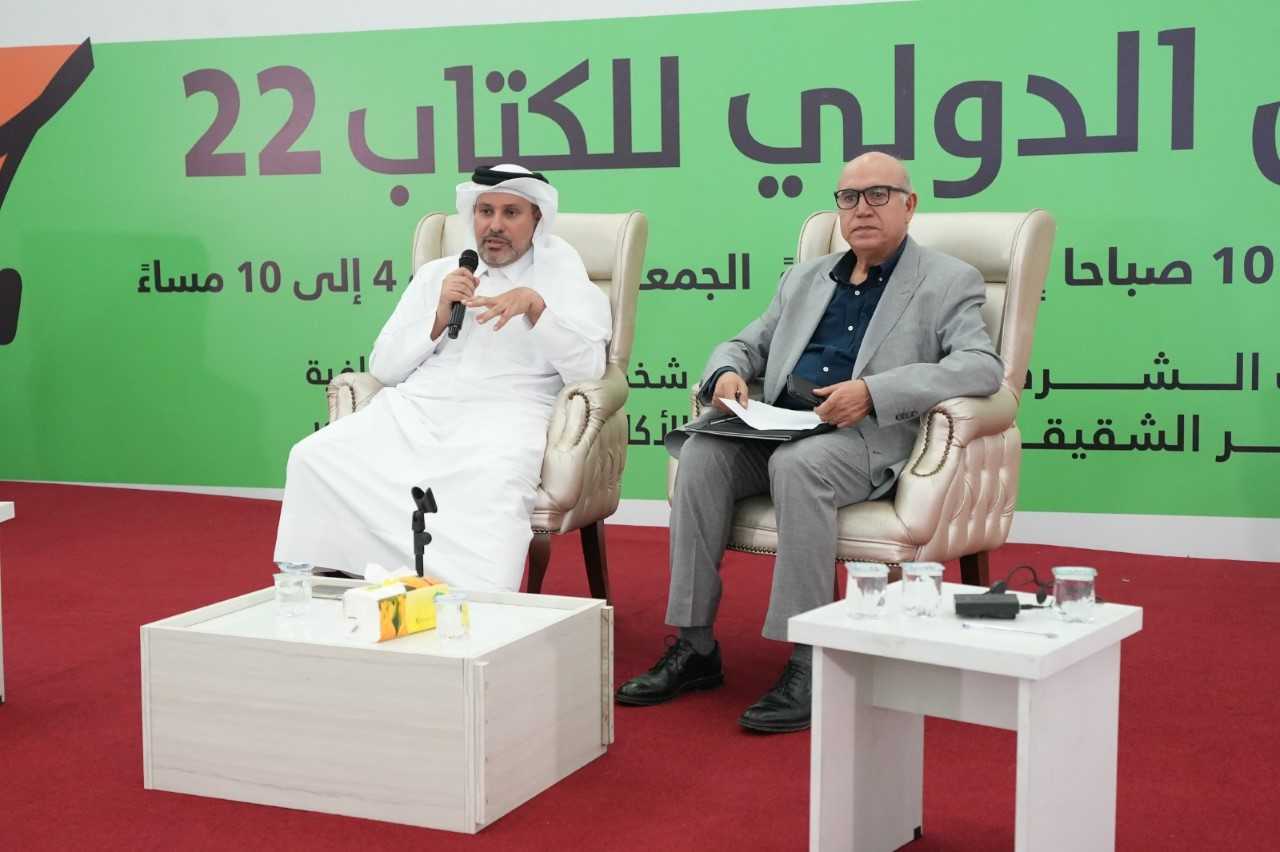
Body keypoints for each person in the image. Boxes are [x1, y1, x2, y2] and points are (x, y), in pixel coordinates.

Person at [616, 153, 1003, 732]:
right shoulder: (804, 278)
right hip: (781, 425)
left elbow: (981, 366)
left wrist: (873, 391)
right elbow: (744, 344)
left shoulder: (949, 280)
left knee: (801, 465)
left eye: (878, 195)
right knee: (701, 453)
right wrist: (726, 371)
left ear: (909, 205)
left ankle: (811, 656)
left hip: (864, 437)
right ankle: (694, 646)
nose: (862, 209)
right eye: (849, 198)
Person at [273, 164, 612, 590]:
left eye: (510, 213)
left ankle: (475, 602)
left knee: (494, 480)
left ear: (537, 219)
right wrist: (436, 316)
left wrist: (535, 308)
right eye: (485, 211)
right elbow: (384, 367)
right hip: (419, 407)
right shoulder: (440, 275)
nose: (495, 225)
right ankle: (335, 585)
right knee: (314, 457)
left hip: (510, 412)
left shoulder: (564, 280)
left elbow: (588, 371)